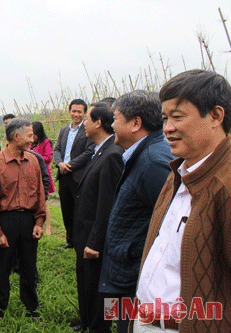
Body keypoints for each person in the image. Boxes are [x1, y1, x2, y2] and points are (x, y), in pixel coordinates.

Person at [135, 70, 231, 333]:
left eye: (177, 117)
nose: (167, 127)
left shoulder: (225, 184)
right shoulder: (178, 173)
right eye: (165, 118)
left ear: (215, 116)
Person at [98, 90, 173, 333]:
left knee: (128, 327)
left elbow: (171, 224)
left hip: (135, 276)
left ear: (135, 123)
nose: (111, 125)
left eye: (115, 118)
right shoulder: (143, 155)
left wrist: (135, 253)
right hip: (127, 270)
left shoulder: (152, 162)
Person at [0, 118, 46, 321]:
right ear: (16, 137)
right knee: (2, 268)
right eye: (29, 135)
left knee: (29, 266)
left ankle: (32, 307)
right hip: (5, 220)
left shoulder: (34, 160)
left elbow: (40, 194)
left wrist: (39, 221)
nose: (33, 139)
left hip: (28, 220)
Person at [73, 103, 124, 333]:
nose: (82, 122)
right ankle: (85, 322)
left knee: (97, 288)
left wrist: (94, 242)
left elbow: (107, 205)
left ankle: (97, 327)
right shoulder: (101, 149)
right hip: (84, 234)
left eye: (87, 118)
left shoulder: (112, 155)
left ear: (98, 123)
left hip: (95, 239)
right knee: (85, 283)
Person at [53, 99, 96, 249]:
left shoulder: (88, 130)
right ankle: (70, 240)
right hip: (63, 176)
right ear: (69, 111)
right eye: (74, 111)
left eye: (79, 111)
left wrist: (69, 165)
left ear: (84, 113)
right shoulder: (64, 130)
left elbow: (89, 152)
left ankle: (79, 241)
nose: (76, 114)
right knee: (66, 208)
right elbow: (57, 149)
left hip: (79, 176)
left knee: (80, 209)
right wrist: (59, 164)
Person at [30, 121, 55, 235]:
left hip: (43, 174)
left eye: (33, 134)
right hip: (33, 174)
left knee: (44, 201)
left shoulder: (46, 142)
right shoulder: (32, 143)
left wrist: (35, 157)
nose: (32, 137)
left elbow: (48, 158)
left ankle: (48, 227)